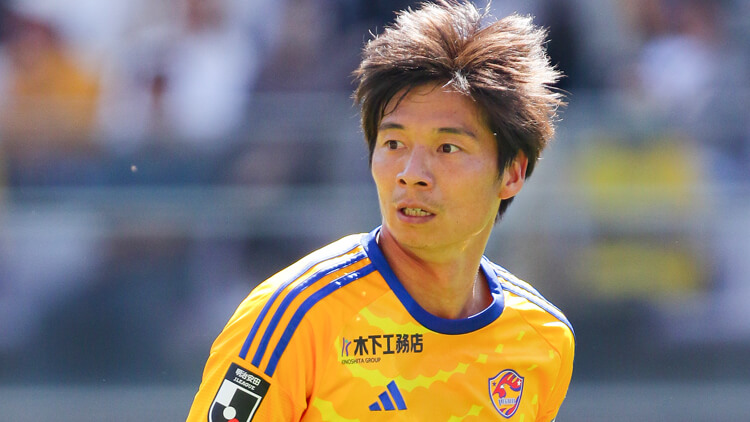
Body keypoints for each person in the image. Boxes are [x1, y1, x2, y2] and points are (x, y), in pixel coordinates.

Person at [187, 1, 574, 420]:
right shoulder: (294, 316)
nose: (411, 174)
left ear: (512, 173)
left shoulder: (542, 338)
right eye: (394, 144)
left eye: (447, 147)